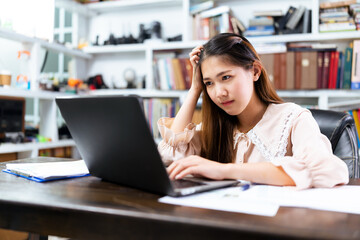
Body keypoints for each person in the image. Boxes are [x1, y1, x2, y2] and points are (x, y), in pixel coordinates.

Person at [157, 33, 349, 189]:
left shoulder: (293, 118)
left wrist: (225, 170)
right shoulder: (214, 126)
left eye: (226, 77)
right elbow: (171, 154)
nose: (219, 93)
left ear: (255, 72)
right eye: (209, 83)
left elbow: (326, 170)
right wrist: (195, 89)